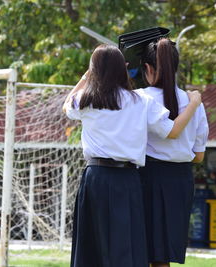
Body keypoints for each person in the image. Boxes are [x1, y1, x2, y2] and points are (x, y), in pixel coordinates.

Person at [62, 44, 202, 267]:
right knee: (127, 246)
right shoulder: (141, 102)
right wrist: (193, 104)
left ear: (94, 71)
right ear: (124, 68)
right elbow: (174, 131)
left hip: (95, 177)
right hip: (127, 179)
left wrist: (86, 76)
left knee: (92, 247)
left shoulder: (87, 100)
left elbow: (66, 104)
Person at [138, 38, 209, 267]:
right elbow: (199, 156)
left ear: (147, 68)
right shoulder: (194, 102)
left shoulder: (140, 98)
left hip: (146, 177)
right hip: (180, 181)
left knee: (141, 250)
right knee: (163, 255)